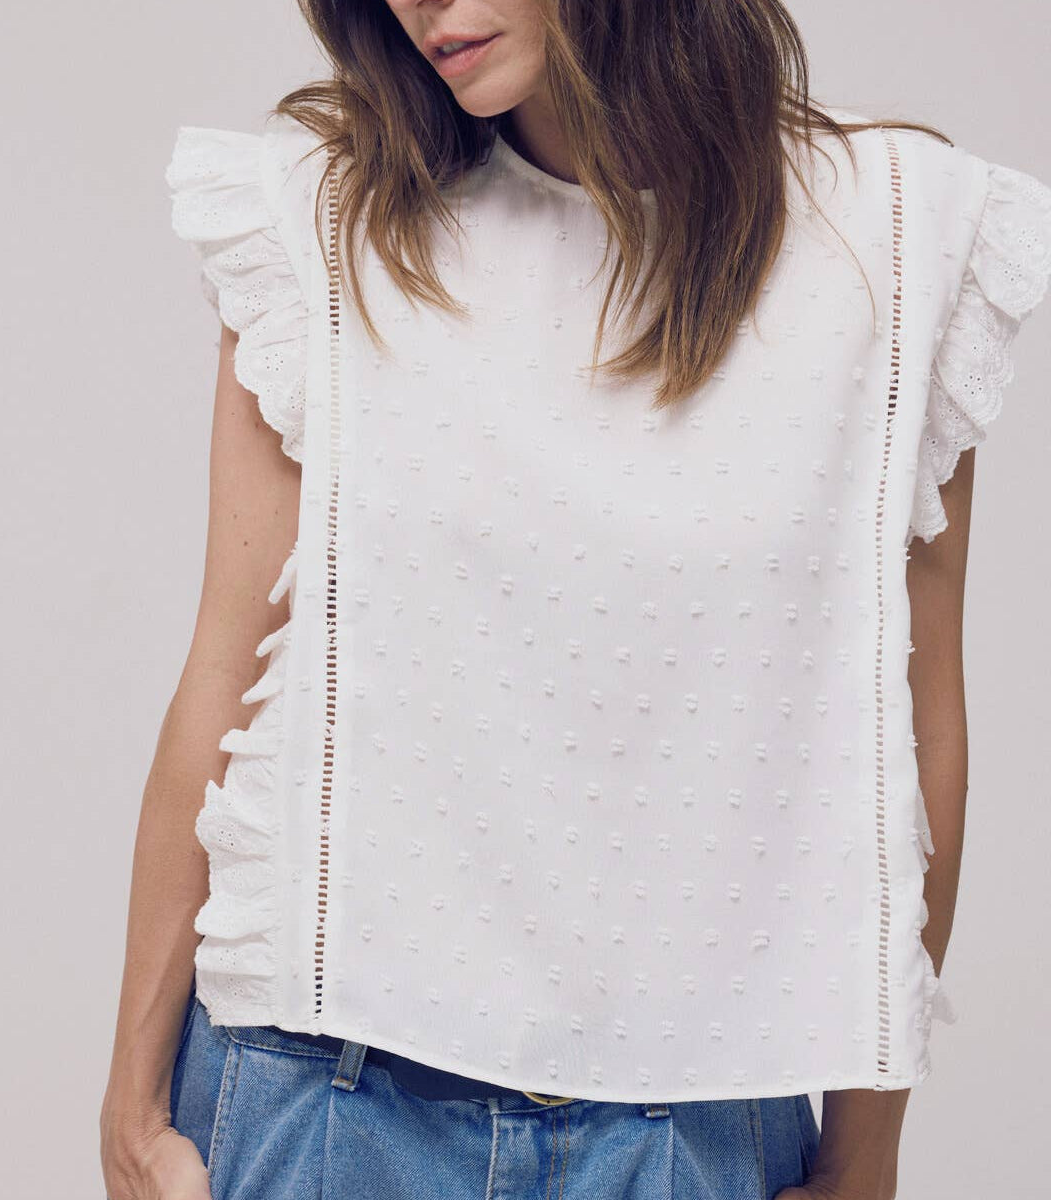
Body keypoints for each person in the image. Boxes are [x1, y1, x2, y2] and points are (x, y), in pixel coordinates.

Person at [100, 2, 1051, 1198]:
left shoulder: (900, 235)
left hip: (695, 1123)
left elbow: (916, 729)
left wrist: (869, 1146)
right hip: (322, 1100)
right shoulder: (327, 213)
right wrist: (133, 1108)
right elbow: (228, 670)